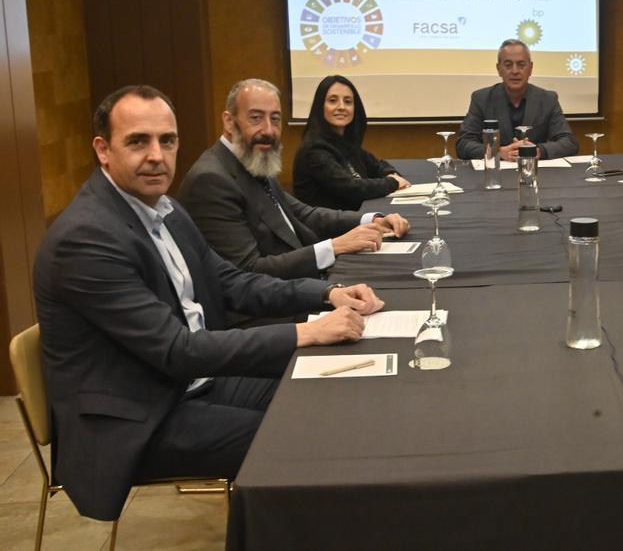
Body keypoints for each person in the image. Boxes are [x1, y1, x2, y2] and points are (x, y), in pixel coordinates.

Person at [34, 85, 382, 521]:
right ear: (103, 150)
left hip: (191, 384)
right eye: (138, 141)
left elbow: (231, 281)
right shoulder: (86, 239)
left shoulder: (165, 209)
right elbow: (177, 351)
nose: (157, 155)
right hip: (137, 417)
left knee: (321, 394)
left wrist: (326, 293)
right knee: (294, 436)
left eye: (168, 140)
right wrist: (306, 332)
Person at [178, 79, 410, 280]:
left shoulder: (251, 159)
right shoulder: (211, 180)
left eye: (275, 119)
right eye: (256, 118)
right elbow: (248, 271)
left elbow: (303, 214)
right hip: (267, 310)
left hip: (299, 280)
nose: (268, 130)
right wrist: (335, 246)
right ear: (229, 122)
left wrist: (371, 219)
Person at [293, 74, 411, 210]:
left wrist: (389, 173)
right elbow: (351, 188)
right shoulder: (314, 150)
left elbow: (378, 166)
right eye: (332, 101)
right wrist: (392, 182)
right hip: (329, 229)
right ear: (320, 106)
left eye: (348, 101)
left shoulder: (344, 142)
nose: (342, 107)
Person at [455, 38, 579, 161]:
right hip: (496, 174)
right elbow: (463, 144)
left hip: (536, 174)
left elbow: (569, 142)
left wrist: (539, 151)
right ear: (499, 69)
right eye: (508, 65)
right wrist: (496, 152)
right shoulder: (481, 99)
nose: (515, 71)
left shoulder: (547, 99)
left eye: (521, 65)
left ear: (530, 68)